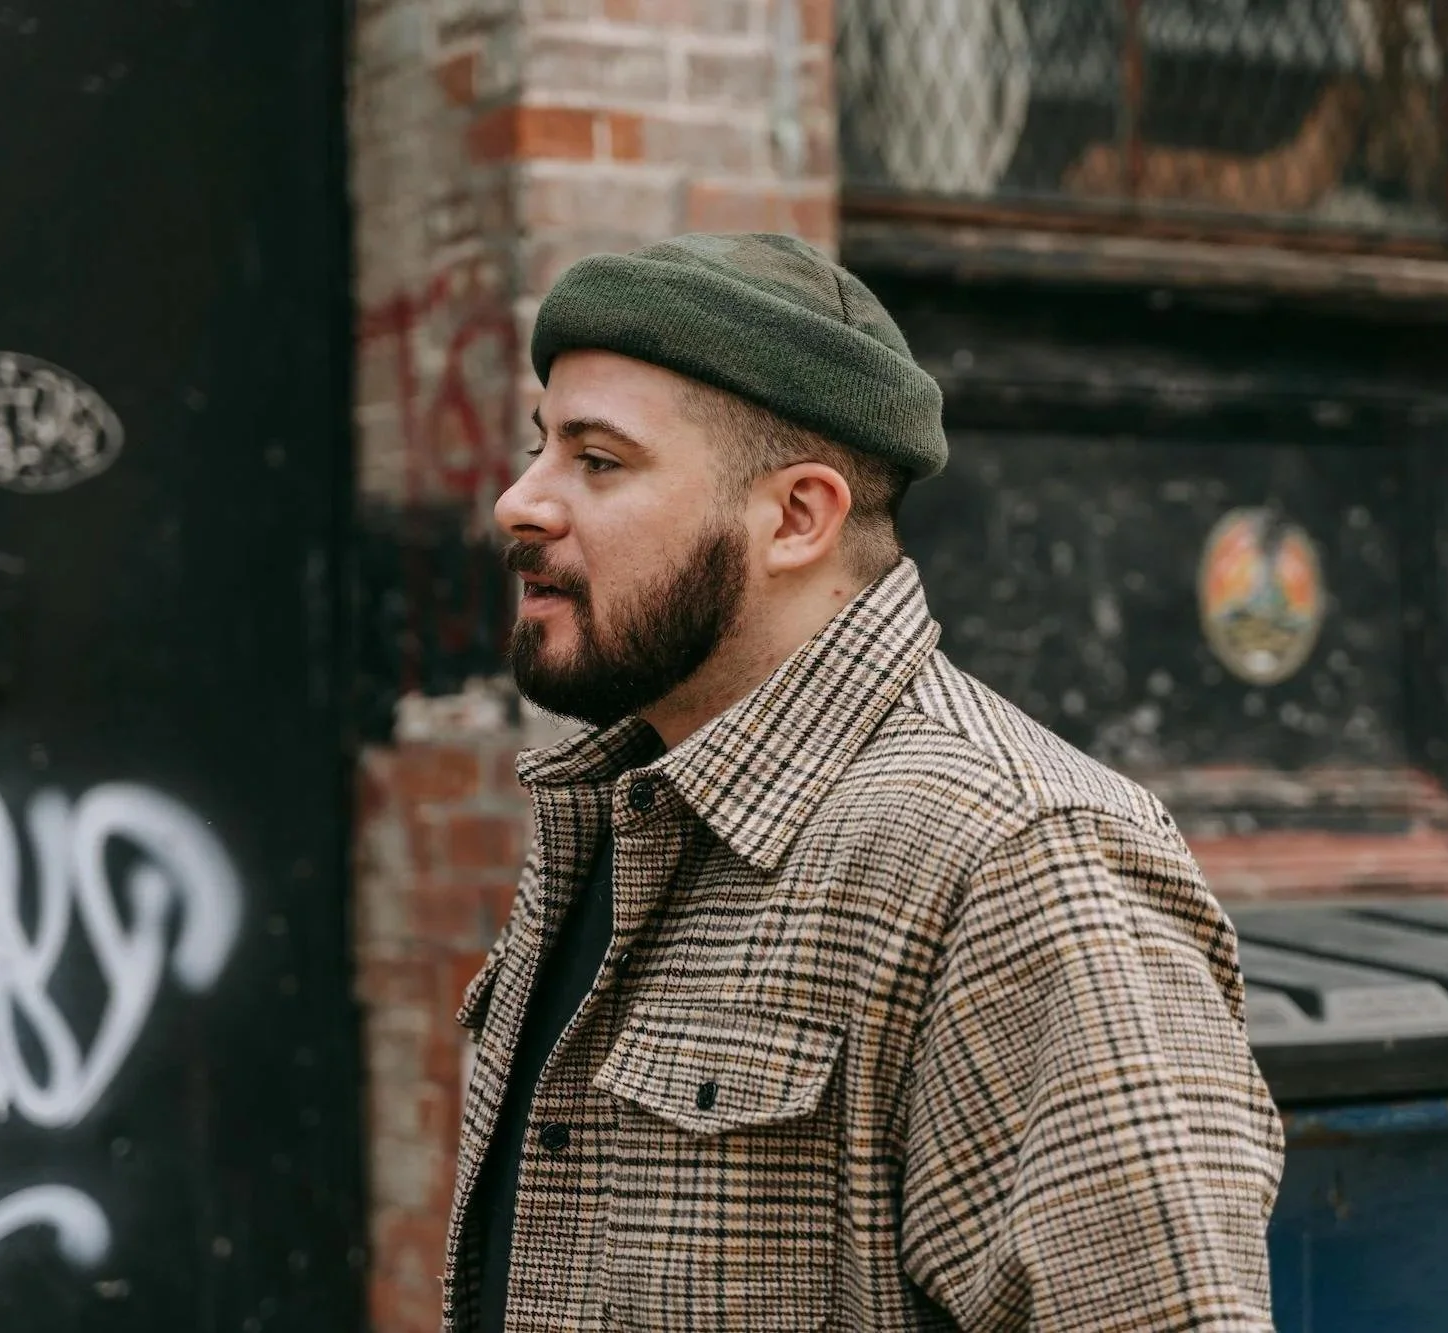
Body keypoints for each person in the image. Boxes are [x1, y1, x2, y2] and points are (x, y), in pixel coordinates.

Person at [446, 232, 1283, 1332]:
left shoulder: (1018, 858)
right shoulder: (624, 810)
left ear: (798, 517)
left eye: (597, 461)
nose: (520, 501)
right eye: (539, 445)